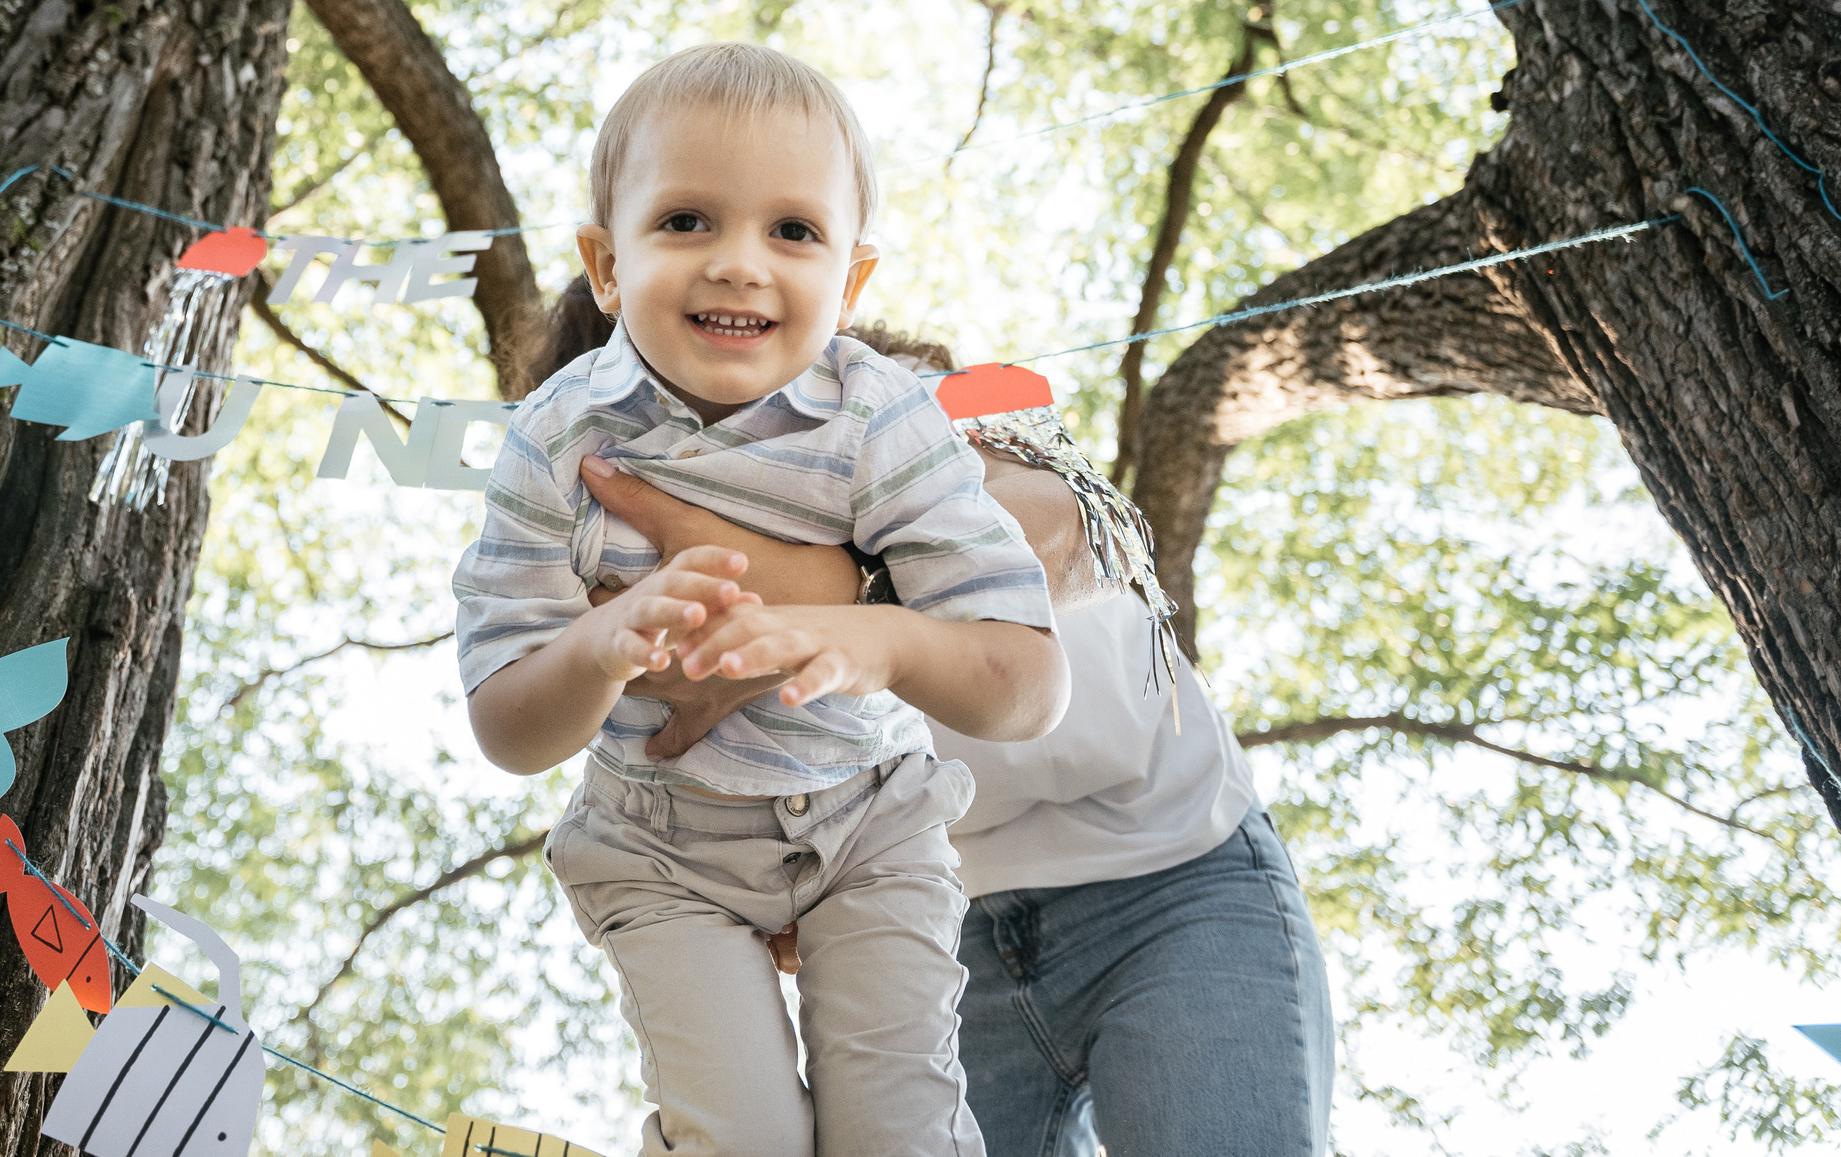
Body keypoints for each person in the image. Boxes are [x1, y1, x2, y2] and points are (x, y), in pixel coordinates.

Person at [453, 43, 1067, 1157]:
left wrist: (864, 636)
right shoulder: (557, 439)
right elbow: (505, 728)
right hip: (658, 848)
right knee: (741, 1140)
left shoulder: (880, 421)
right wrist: (595, 649)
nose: (739, 264)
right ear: (604, 263)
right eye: (686, 220)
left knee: (900, 1137)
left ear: (853, 282)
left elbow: (1025, 688)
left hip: (867, 826)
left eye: (793, 231)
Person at [566, 324, 1339, 1157]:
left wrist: (831, 599)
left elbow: (1074, 532)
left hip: (1173, 876)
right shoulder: (616, 524)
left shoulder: (889, 390)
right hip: (935, 923)